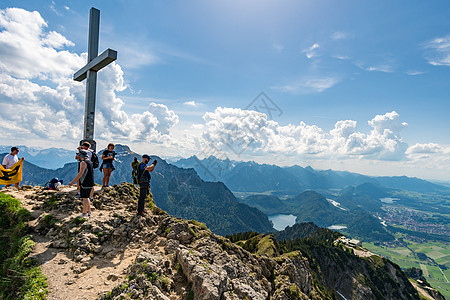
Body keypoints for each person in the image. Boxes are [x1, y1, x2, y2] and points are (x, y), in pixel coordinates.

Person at [68, 150, 94, 218]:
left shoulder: (83, 163)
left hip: (85, 182)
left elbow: (80, 173)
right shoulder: (90, 162)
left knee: (84, 198)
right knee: (87, 197)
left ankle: (84, 213)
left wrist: (73, 182)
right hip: (90, 182)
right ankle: (89, 211)